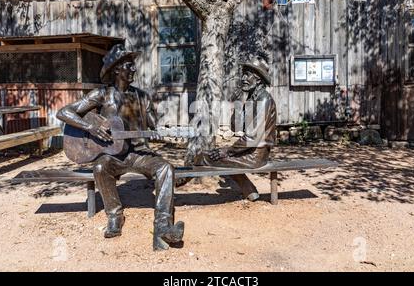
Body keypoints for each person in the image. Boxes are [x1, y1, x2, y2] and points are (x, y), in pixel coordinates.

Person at [57, 44, 184, 251]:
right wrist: (90, 126)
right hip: (112, 155)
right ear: (116, 69)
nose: (133, 69)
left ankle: (163, 226)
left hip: (140, 153)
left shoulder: (142, 96)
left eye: (133, 66)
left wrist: (160, 125)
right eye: (129, 65)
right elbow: (64, 112)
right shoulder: (101, 94)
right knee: (100, 168)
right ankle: (114, 215)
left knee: (166, 168)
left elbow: (154, 124)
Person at [195, 56, 277, 201]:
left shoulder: (264, 100)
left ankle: (175, 182)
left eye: (248, 75)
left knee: (205, 157)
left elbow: (252, 138)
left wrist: (227, 150)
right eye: (243, 74)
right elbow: (235, 127)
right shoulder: (252, 98)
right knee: (213, 155)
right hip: (250, 149)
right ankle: (250, 192)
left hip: (256, 154)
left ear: (258, 79)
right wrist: (238, 103)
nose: (243, 78)